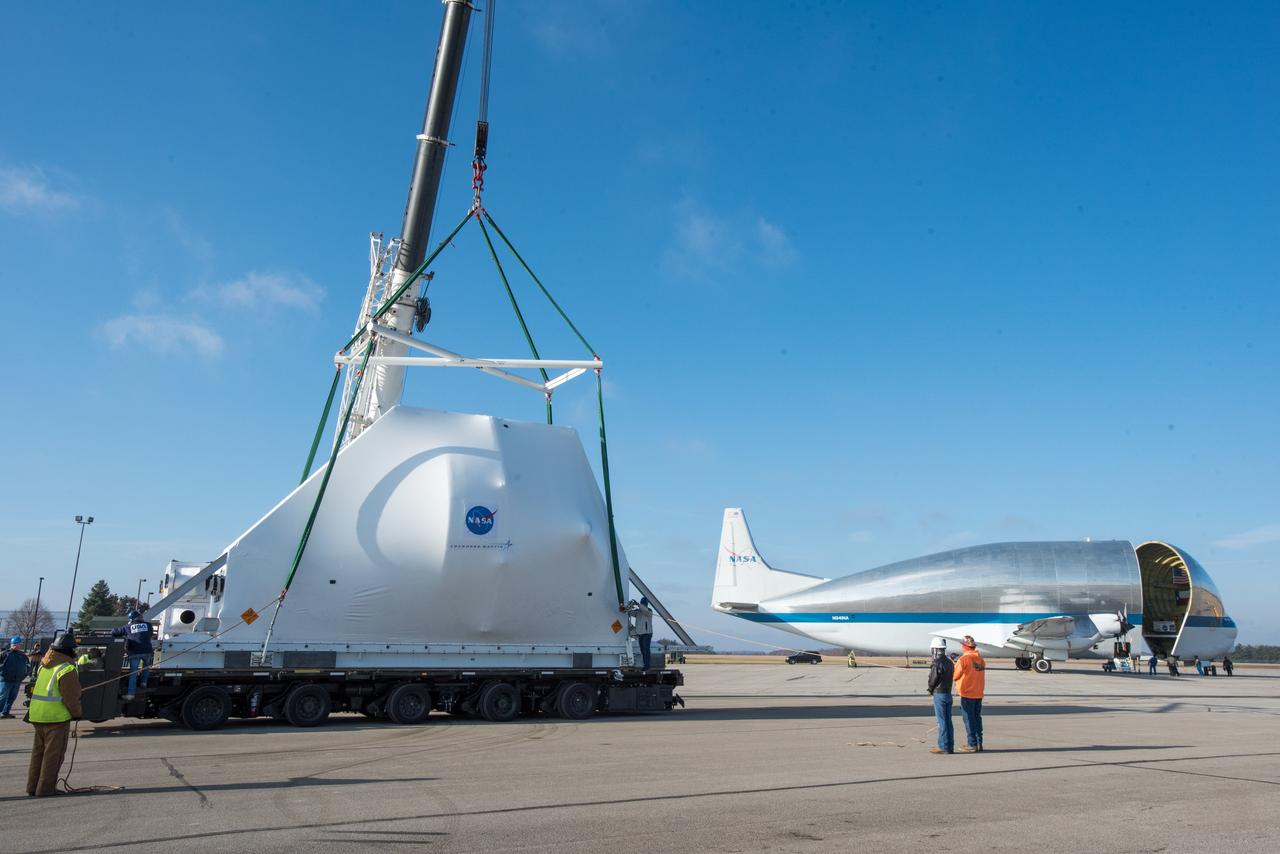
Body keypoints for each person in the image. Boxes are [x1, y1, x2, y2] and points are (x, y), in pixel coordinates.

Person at [27, 631, 82, 797]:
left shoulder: (46, 664)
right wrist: (77, 713)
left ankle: (32, 786)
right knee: (53, 756)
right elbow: (71, 697)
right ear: (68, 650)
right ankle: (45, 789)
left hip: (38, 715)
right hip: (56, 718)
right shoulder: (67, 668)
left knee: (38, 754)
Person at [953, 634, 986, 752]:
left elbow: (955, 675)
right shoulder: (981, 660)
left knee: (969, 719)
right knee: (977, 718)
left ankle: (972, 744)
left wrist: (955, 663)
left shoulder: (964, 659)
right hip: (978, 693)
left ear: (964, 646)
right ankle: (979, 742)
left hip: (967, 693)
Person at [112, 609, 154, 700]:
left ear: (131, 619)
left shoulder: (128, 626)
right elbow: (150, 634)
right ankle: (144, 682)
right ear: (139, 617)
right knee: (146, 667)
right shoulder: (148, 625)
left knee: (133, 673)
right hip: (147, 650)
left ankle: (131, 694)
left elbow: (115, 632)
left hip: (134, 651)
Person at [926, 638, 954, 755]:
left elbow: (933, 680)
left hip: (939, 694)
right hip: (948, 693)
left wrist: (930, 689)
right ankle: (949, 746)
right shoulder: (950, 662)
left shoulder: (937, 663)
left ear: (935, 650)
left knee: (941, 722)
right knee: (948, 721)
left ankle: (943, 746)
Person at [1, 636, 31, 718]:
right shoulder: (5, 654)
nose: (16, 646)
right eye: (14, 644)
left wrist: (23, 676)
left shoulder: (23, 656)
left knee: (12, 698)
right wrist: (3, 674)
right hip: (6, 680)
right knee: (2, 697)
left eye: (18, 644)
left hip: (17, 681)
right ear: (11, 644)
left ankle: (6, 712)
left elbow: (28, 666)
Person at [627, 598, 654, 669]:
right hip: (640, 634)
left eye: (642, 603)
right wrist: (629, 608)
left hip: (647, 634)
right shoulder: (638, 611)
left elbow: (644, 610)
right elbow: (630, 613)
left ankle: (647, 665)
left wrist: (638, 604)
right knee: (642, 650)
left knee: (646, 649)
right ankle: (645, 664)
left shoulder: (649, 611)